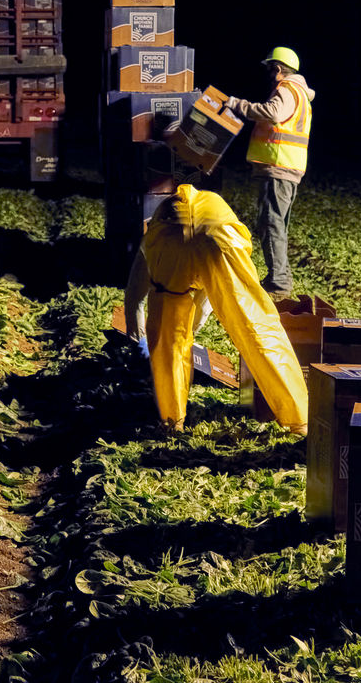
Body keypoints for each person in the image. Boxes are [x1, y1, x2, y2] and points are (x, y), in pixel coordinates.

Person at [125, 184, 308, 432]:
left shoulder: (153, 240)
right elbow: (209, 301)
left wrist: (139, 345)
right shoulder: (202, 208)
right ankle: (299, 421)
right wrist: (191, 331)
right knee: (256, 327)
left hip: (173, 246)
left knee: (169, 344)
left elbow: (134, 299)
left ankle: (172, 421)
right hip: (220, 240)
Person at [226, 46, 314, 295]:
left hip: (278, 167)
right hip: (286, 167)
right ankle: (279, 278)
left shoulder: (287, 90)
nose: (268, 74)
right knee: (275, 225)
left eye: (269, 69)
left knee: (271, 224)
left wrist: (238, 105)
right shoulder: (300, 94)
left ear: (277, 69)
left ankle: (279, 283)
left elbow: (273, 113)